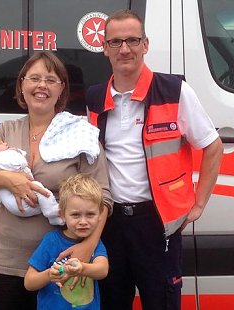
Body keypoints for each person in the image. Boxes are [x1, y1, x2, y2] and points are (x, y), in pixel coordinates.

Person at [85, 9, 223, 310]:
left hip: (157, 224)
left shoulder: (174, 91)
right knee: (111, 302)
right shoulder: (94, 99)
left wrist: (198, 204)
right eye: (116, 42)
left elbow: (213, 147)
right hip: (111, 224)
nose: (124, 49)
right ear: (105, 48)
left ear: (145, 45)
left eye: (132, 40)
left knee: (161, 302)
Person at [0, 51, 112, 310]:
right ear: (21, 85)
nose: (41, 85)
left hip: (61, 263)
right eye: (34, 78)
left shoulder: (81, 134)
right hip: (6, 259)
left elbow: (104, 197)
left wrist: (88, 247)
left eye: (51, 79)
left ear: (61, 88)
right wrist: (9, 180)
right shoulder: (6, 131)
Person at [24, 174, 110, 309]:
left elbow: (102, 270)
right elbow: (29, 282)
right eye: (76, 215)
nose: (83, 222)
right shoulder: (51, 241)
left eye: (90, 214)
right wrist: (49, 275)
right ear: (62, 214)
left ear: (100, 214)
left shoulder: (95, 243)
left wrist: (82, 268)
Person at [0, 136, 62, 225]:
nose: (5, 143)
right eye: (0, 144)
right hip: (18, 205)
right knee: (39, 188)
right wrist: (8, 178)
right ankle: (52, 211)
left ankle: (51, 213)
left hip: (20, 207)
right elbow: (19, 164)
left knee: (39, 196)